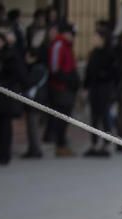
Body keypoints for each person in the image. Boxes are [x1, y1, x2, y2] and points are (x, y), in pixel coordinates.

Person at [0, 26, 23, 165]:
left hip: (4, 98)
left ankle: (4, 155)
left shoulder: (10, 56)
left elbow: (18, 76)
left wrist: (2, 86)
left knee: (3, 129)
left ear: (3, 43)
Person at [83, 28, 116, 156]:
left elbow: (113, 73)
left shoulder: (109, 53)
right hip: (94, 88)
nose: (93, 39)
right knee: (94, 116)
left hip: (104, 88)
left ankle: (106, 143)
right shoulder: (93, 53)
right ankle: (94, 143)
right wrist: (86, 86)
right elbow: (88, 71)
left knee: (105, 115)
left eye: (95, 37)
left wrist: (102, 76)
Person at [46, 21, 77, 157]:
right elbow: (54, 68)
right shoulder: (59, 44)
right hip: (60, 86)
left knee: (66, 116)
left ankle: (62, 143)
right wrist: (67, 79)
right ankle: (60, 144)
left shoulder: (67, 45)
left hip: (68, 86)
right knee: (61, 116)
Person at [20, 46, 46, 159]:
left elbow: (29, 82)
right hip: (34, 100)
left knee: (33, 126)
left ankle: (35, 149)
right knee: (31, 126)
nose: (25, 58)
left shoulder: (38, 69)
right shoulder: (36, 67)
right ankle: (33, 148)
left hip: (36, 100)